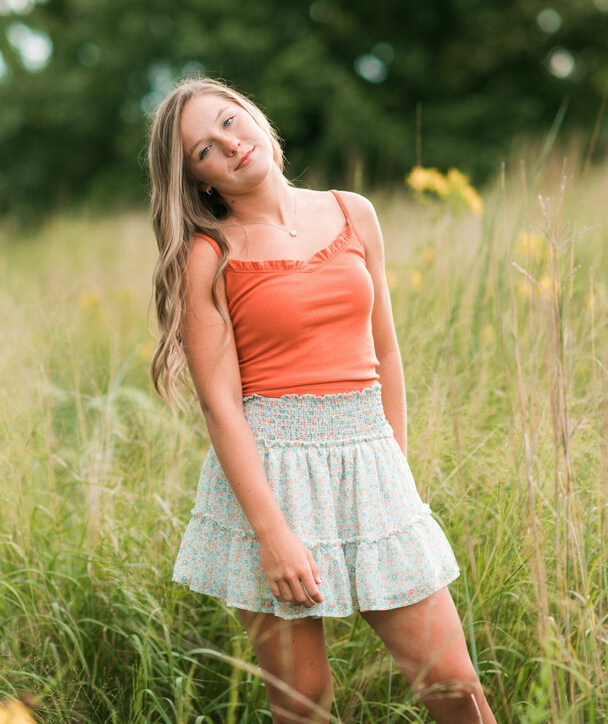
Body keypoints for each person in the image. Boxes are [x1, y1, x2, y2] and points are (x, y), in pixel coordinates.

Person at [147, 77, 497, 724]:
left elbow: (385, 352)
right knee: (304, 702)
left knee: (454, 684)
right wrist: (272, 535)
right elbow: (221, 408)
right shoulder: (210, 256)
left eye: (231, 121)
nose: (229, 144)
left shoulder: (352, 212)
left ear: (254, 113)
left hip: (371, 463)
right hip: (272, 478)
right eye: (204, 150)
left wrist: (398, 476)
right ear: (201, 181)